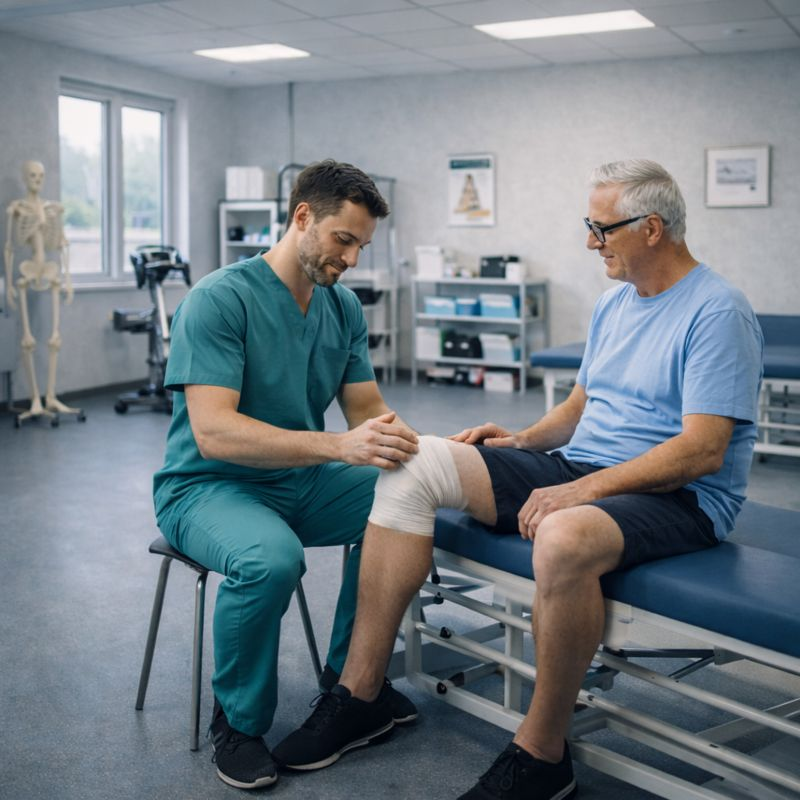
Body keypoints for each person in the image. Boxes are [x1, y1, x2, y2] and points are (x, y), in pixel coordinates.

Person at [272, 159, 764, 800]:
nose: (590, 242)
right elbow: (582, 406)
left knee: (560, 535)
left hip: (682, 497)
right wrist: (521, 440)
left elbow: (702, 451)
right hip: (584, 469)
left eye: (601, 228)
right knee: (413, 463)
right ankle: (361, 692)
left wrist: (582, 490)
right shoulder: (616, 302)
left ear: (651, 228)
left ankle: (541, 754)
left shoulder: (718, 311)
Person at [152, 159, 420, 791]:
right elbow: (214, 430)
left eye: (361, 245)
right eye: (343, 239)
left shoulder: (342, 308)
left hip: (300, 479)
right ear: (303, 218)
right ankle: (238, 724)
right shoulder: (220, 300)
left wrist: (426, 449)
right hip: (208, 486)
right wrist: (335, 446)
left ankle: (354, 688)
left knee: (407, 500)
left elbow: (366, 412)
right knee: (272, 560)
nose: (352, 258)